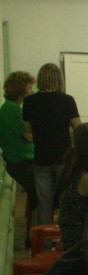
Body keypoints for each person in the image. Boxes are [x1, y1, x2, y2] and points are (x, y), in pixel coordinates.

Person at [22, 62, 81, 224]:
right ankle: (64, 235)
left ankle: (45, 237)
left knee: (44, 203)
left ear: (40, 79)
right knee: (64, 200)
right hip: (64, 157)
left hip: (41, 158)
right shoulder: (67, 100)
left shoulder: (29, 101)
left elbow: (27, 133)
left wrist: (42, 134)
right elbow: (79, 129)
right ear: (59, 79)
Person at [0, 71, 38, 238]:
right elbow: (28, 136)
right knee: (41, 195)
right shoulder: (11, 109)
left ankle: (33, 232)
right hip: (20, 162)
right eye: (29, 87)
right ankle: (34, 234)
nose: (32, 91)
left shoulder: (12, 108)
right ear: (19, 89)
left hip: (22, 159)